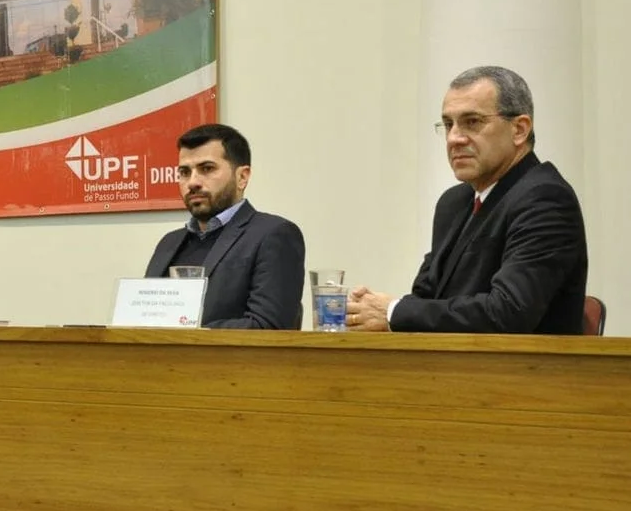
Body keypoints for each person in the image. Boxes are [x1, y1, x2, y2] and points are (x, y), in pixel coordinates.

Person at [347, 66, 588, 334]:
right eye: (448, 124)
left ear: (519, 129)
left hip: (521, 372)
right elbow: (428, 297)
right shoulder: (454, 202)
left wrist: (393, 311)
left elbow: (508, 312)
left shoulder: (545, 199)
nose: (454, 138)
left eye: (472, 122)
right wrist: (370, 312)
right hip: (452, 368)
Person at [143, 124, 306, 329]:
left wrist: (189, 331)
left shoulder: (274, 234)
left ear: (242, 177)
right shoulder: (168, 243)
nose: (193, 182)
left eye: (207, 169)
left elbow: (268, 328)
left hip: (235, 361)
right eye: (184, 172)